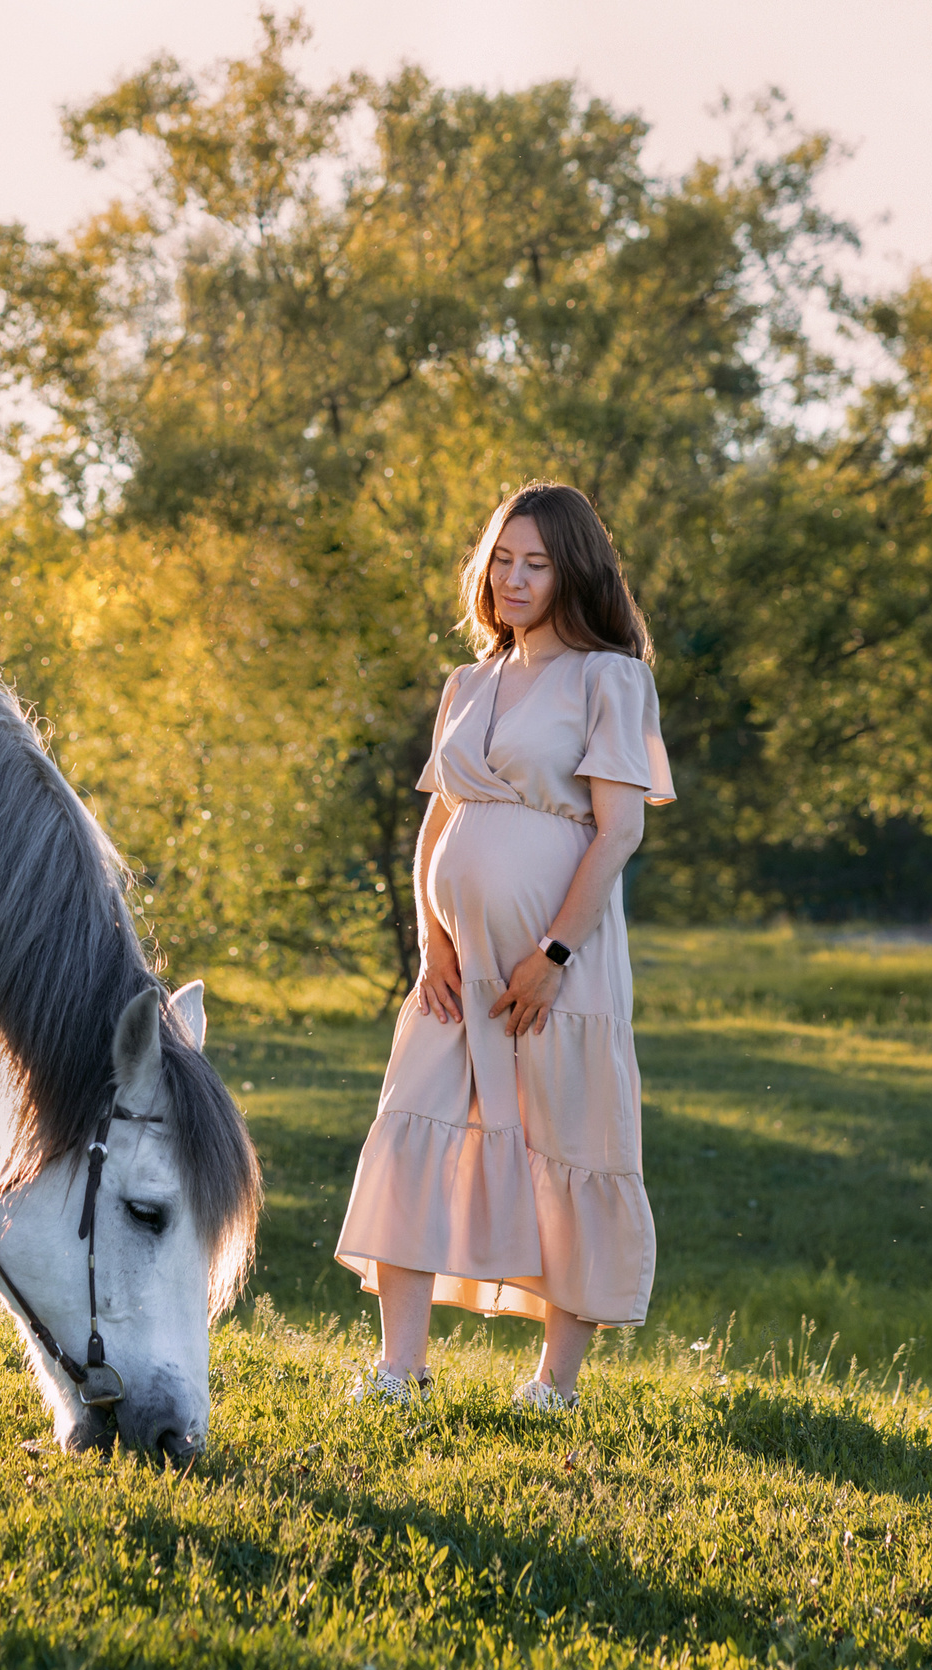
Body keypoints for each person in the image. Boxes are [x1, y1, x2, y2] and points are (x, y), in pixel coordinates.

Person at [334, 481, 672, 1410]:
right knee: (413, 1127)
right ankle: (401, 1368)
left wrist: (554, 955)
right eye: (502, 559)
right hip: (456, 968)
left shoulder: (611, 677)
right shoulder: (468, 683)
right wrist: (430, 944)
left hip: (559, 964)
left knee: (570, 1141)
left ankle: (555, 1383)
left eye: (537, 562)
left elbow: (618, 833)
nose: (514, 578)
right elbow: (436, 826)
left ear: (574, 571)